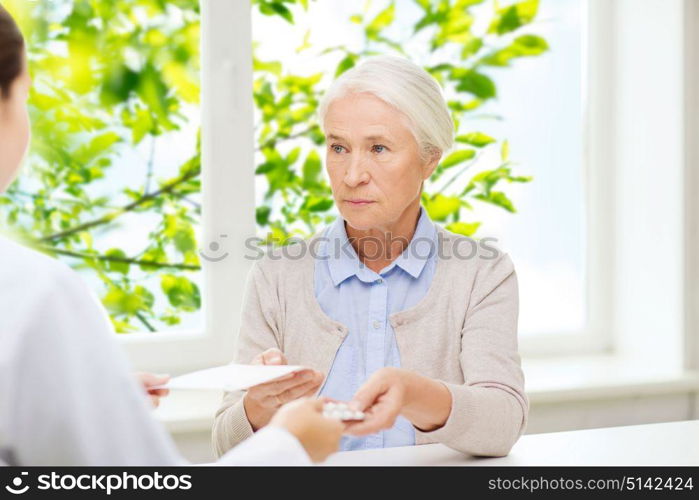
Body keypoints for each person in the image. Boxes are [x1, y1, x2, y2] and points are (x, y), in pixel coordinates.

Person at [0, 4, 343, 466]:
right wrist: (289, 446)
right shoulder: (32, 293)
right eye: (25, 98)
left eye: (379, 147)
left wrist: (95, 403)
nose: (354, 172)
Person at [213, 56, 529, 457]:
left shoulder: (482, 272)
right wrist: (257, 409)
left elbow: (503, 425)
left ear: (430, 158)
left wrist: (417, 394)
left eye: (379, 148)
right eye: (338, 147)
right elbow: (225, 445)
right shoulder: (277, 274)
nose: (351, 175)